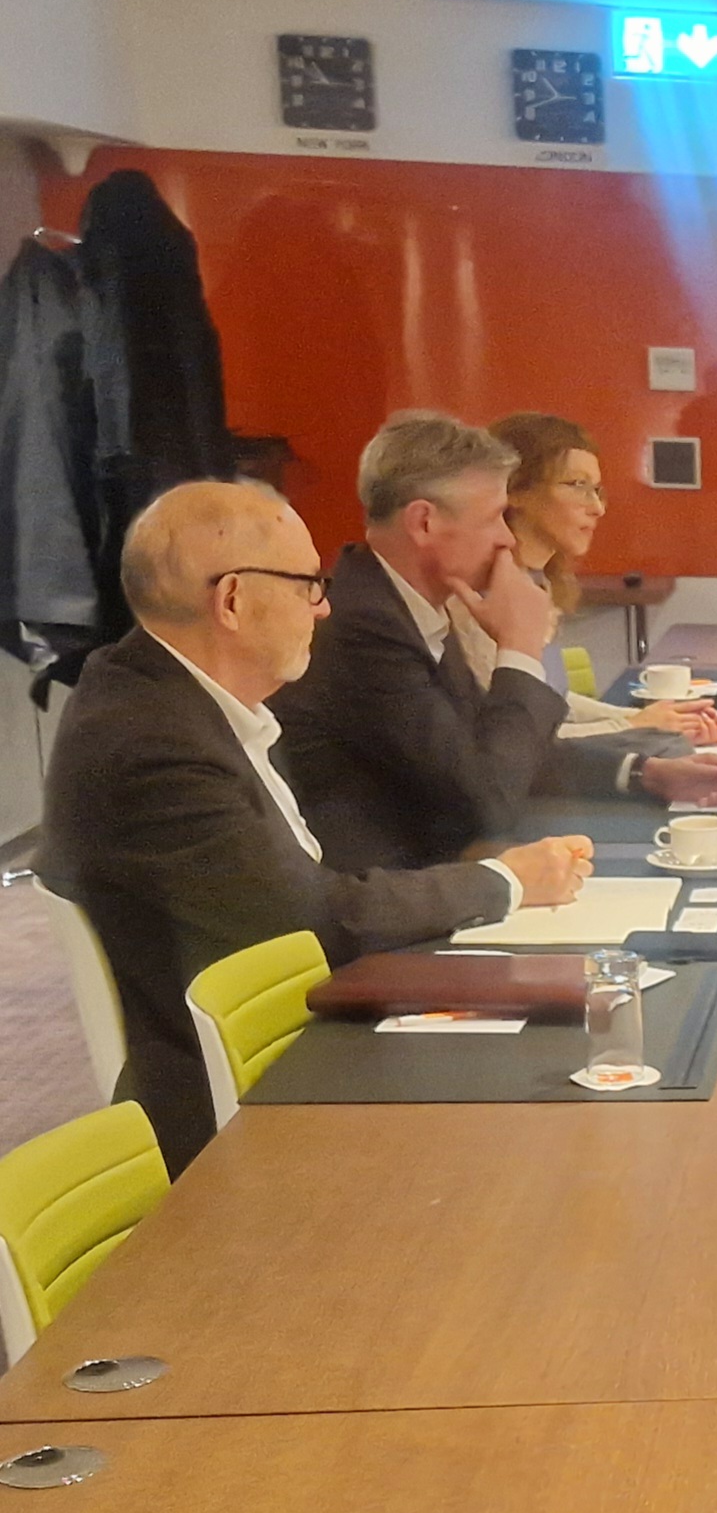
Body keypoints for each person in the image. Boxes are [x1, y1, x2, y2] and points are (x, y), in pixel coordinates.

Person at [39, 480, 589, 1169]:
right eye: (308, 585)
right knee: (549, 1114)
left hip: (294, 1026)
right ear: (233, 600)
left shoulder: (179, 699)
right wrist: (503, 881)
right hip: (248, 1096)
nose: (324, 608)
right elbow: (315, 920)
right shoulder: (149, 745)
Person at [273, 413, 717, 873]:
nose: (504, 537)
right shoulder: (365, 628)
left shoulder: (409, 603)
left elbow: (503, 750)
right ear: (424, 523)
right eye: (493, 517)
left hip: (441, 871)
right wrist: (519, 648)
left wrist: (645, 773)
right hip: (394, 895)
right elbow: (485, 801)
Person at [487, 411, 717, 744]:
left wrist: (650, 719)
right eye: (577, 486)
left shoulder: (539, 581)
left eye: (597, 490)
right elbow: (519, 738)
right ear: (515, 490)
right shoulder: (486, 596)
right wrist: (633, 727)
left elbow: (551, 701)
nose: (597, 508)